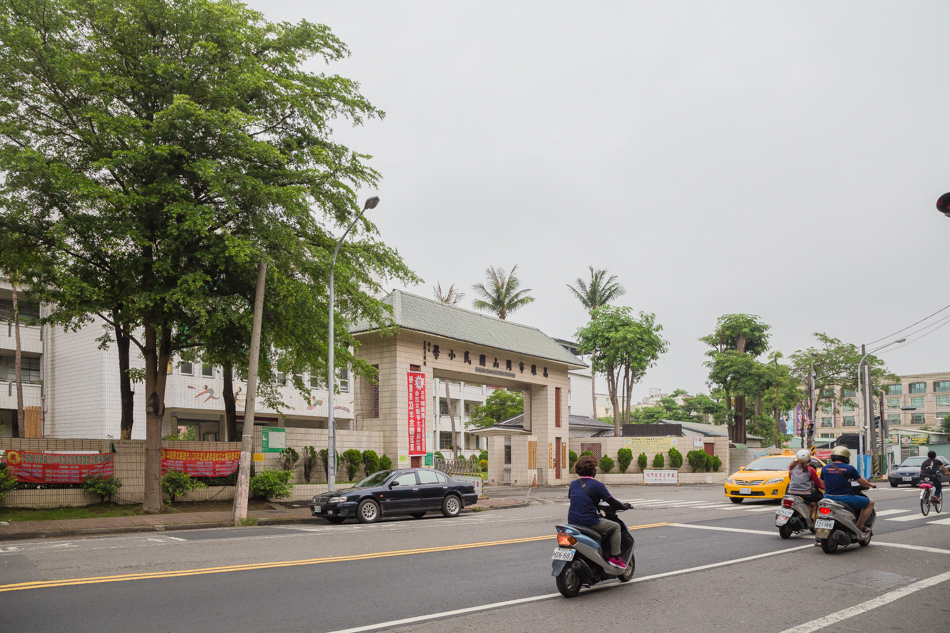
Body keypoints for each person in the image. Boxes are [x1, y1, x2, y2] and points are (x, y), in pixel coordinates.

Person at [568, 455, 631, 569]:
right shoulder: (597, 485)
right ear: (594, 470)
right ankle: (615, 558)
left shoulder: (573, 484)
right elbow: (612, 502)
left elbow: (579, 499)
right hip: (590, 521)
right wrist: (624, 506)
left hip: (573, 521)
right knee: (616, 527)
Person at [819, 446, 876, 532]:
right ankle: (860, 525)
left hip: (827, 498)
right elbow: (862, 482)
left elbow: (823, 483)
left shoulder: (825, 468)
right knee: (871, 503)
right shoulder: (849, 468)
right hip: (845, 498)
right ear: (846, 457)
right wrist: (871, 485)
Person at [787, 449, 824, 520]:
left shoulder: (792, 468)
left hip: (791, 492)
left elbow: (790, 478)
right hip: (806, 494)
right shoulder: (810, 469)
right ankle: (813, 517)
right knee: (815, 503)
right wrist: (823, 487)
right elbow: (817, 483)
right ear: (808, 458)